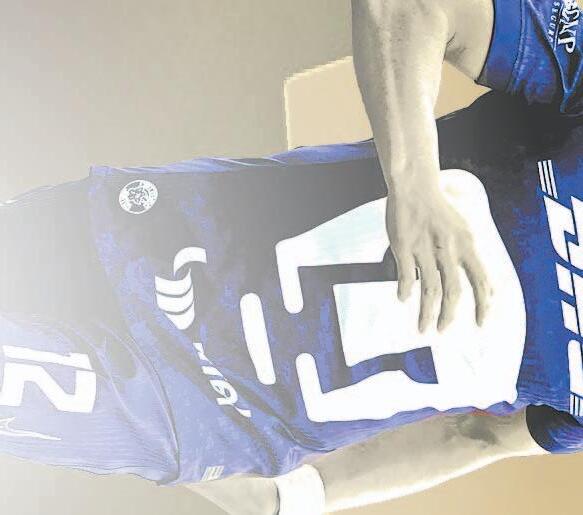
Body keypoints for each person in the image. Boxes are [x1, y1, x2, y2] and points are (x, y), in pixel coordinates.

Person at [0, 3, 582, 515]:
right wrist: (414, 183)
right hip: (162, 242)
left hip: (202, 417)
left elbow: (478, 438)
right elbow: (408, 7)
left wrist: (301, 497)